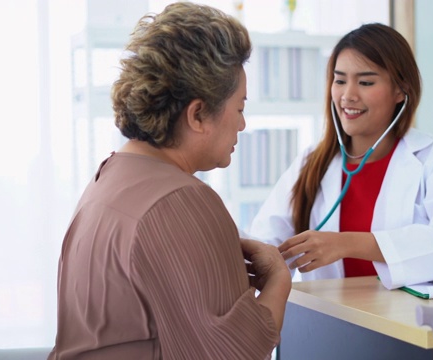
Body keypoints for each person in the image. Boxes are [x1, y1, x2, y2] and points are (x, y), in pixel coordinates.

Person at [49, 3, 291, 359]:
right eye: (239, 108)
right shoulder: (181, 200)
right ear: (197, 115)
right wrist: (278, 280)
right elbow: (236, 354)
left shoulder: (108, 178)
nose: (242, 124)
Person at [248, 23, 433, 290]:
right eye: (340, 80)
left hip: (408, 323)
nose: (348, 96)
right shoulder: (311, 163)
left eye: (366, 82)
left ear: (400, 90)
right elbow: (266, 240)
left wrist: (346, 243)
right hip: (332, 322)